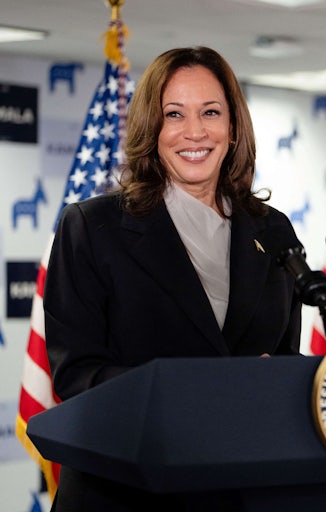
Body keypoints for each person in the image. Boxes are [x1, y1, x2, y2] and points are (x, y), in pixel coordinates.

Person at [44, 46, 303, 511]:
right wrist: (202, 392)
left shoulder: (272, 229)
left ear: (233, 127)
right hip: (125, 494)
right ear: (152, 128)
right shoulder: (92, 226)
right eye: (174, 114)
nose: (195, 132)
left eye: (211, 112)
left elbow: (282, 357)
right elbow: (78, 374)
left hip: (239, 490)